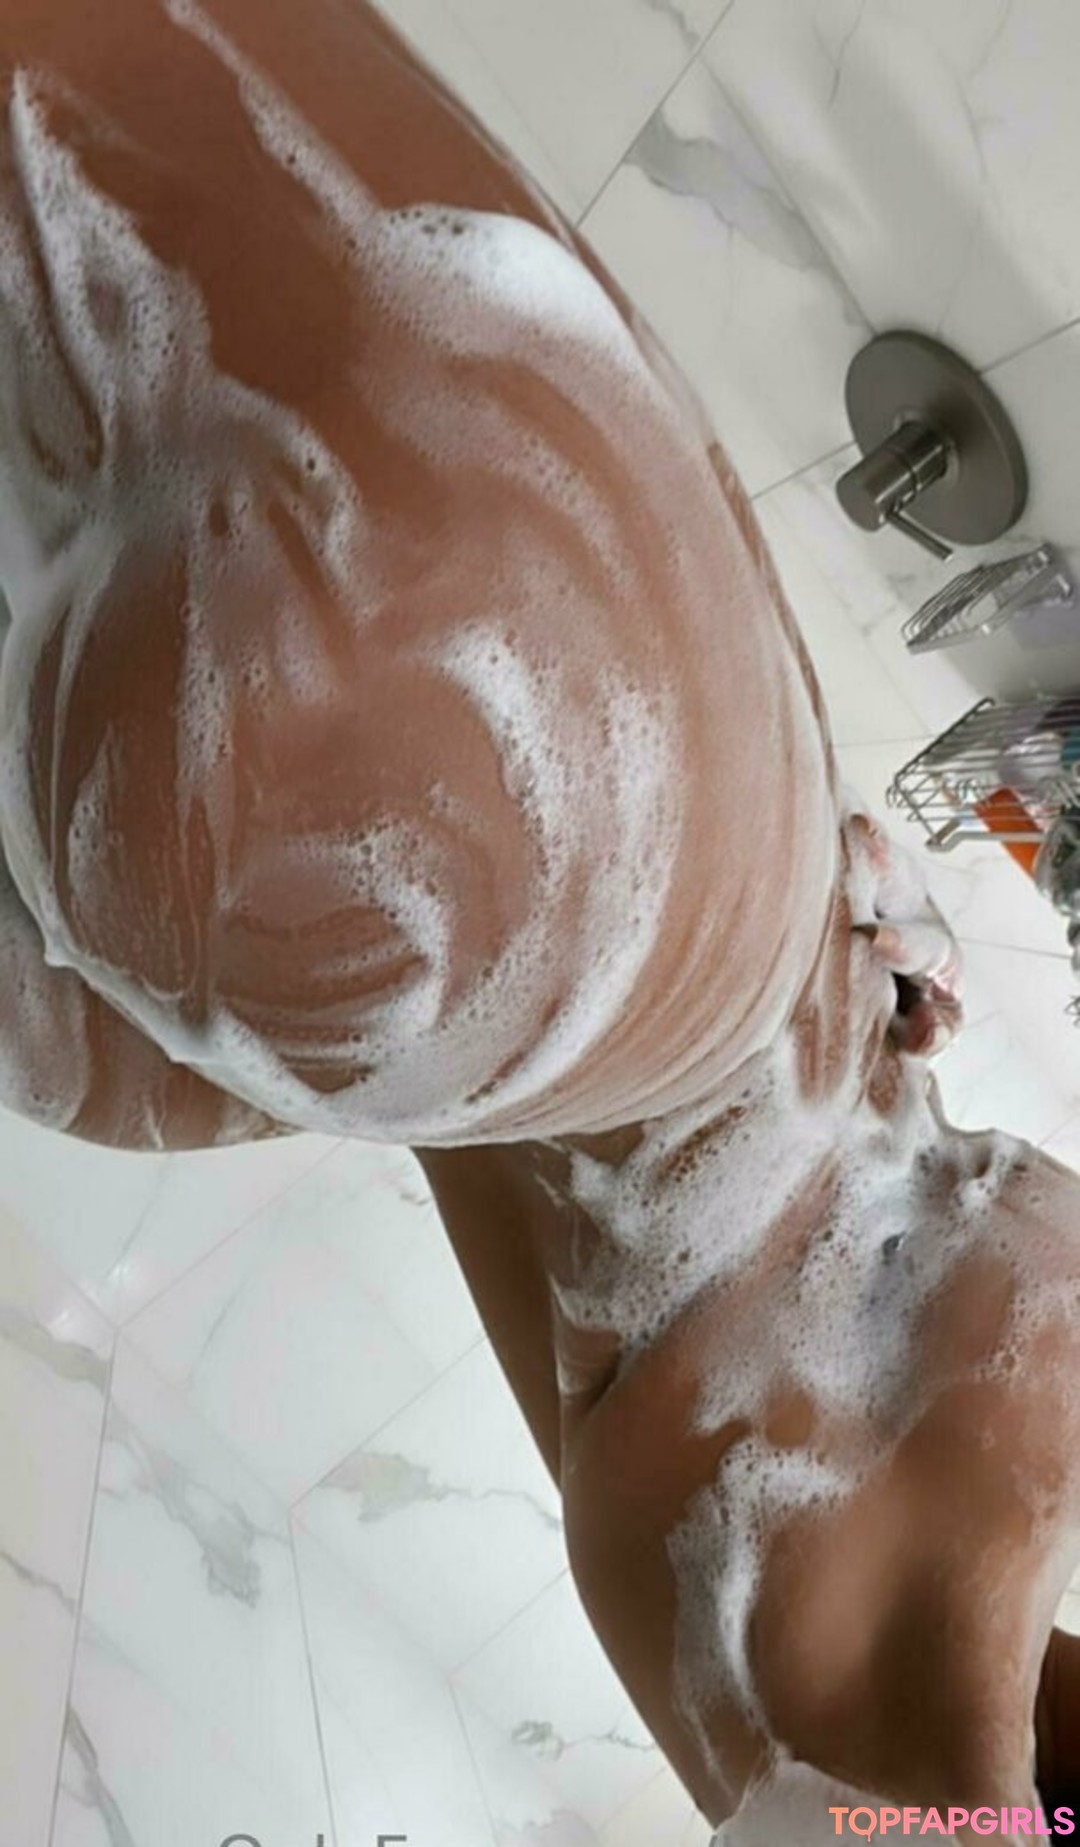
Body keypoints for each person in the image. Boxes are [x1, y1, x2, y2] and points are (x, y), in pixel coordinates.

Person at [1, 2, 1079, 1838]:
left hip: (598, 832)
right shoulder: (808, 1711)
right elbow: (575, 1241)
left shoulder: (904, 1714)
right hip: (493, 972)